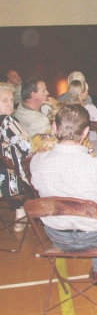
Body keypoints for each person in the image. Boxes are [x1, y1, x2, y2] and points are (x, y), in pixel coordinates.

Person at [31, 104, 97, 283]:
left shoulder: (37, 162)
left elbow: (36, 186)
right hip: (96, 236)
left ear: (55, 128)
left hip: (57, 236)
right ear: (86, 131)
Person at [0, 82, 32, 233]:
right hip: (11, 182)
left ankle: (22, 212)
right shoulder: (8, 121)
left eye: (11, 100)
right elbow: (27, 147)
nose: (9, 104)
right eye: (4, 100)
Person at [67, 80, 97, 168]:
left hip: (71, 141)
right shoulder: (91, 109)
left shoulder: (66, 109)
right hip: (90, 141)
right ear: (80, 94)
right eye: (86, 91)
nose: (87, 92)